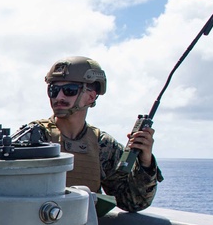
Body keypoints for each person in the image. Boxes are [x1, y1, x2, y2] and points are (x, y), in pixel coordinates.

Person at [19, 56, 162, 212]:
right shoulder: (33, 138)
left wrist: (145, 161)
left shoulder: (101, 145)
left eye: (69, 90)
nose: (59, 97)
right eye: (53, 90)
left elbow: (133, 201)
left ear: (91, 97)